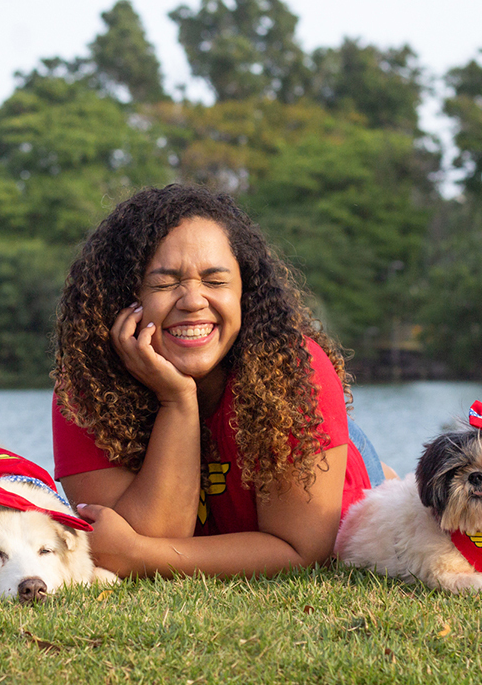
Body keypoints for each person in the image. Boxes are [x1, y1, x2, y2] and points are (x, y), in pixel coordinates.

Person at [51, 184, 388, 579]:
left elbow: (301, 552)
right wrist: (177, 400)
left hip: (338, 467)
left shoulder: (292, 370)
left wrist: (143, 555)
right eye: (164, 283)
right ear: (123, 298)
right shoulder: (87, 386)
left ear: (244, 292)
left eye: (215, 281)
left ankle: (374, 462)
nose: (193, 300)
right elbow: (134, 541)